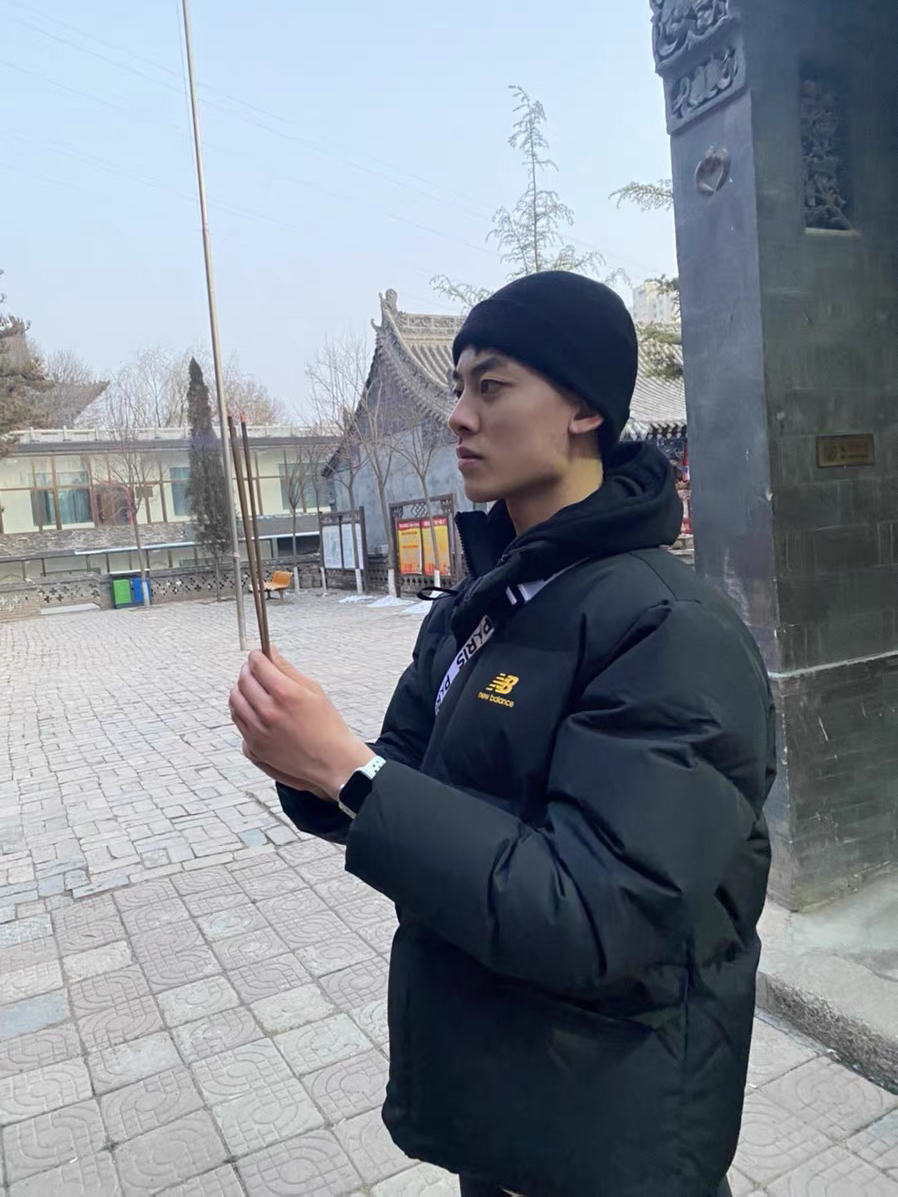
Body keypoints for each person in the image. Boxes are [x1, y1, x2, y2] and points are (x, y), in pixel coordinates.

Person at [229, 271, 774, 1197]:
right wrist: (308, 761)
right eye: (456, 387)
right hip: (500, 1105)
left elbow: (593, 914)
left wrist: (347, 771)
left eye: (492, 386)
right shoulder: (478, 605)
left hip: (608, 1126)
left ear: (584, 410)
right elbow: (405, 773)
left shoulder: (669, 630)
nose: (458, 416)